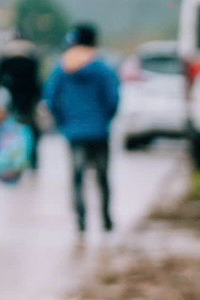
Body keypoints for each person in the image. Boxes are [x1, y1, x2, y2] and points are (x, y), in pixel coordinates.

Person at [43, 23, 119, 233]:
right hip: (99, 131)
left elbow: (50, 98)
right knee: (102, 177)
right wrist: (104, 120)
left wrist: (63, 122)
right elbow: (113, 99)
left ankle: (81, 222)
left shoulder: (62, 67)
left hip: (74, 132)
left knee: (77, 178)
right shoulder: (102, 67)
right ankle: (106, 219)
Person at [0, 31, 43, 170]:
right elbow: (37, 80)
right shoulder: (31, 56)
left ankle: (11, 157)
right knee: (30, 129)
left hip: (11, 99)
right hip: (28, 99)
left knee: (10, 130)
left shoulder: (5, 56)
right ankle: (32, 159)